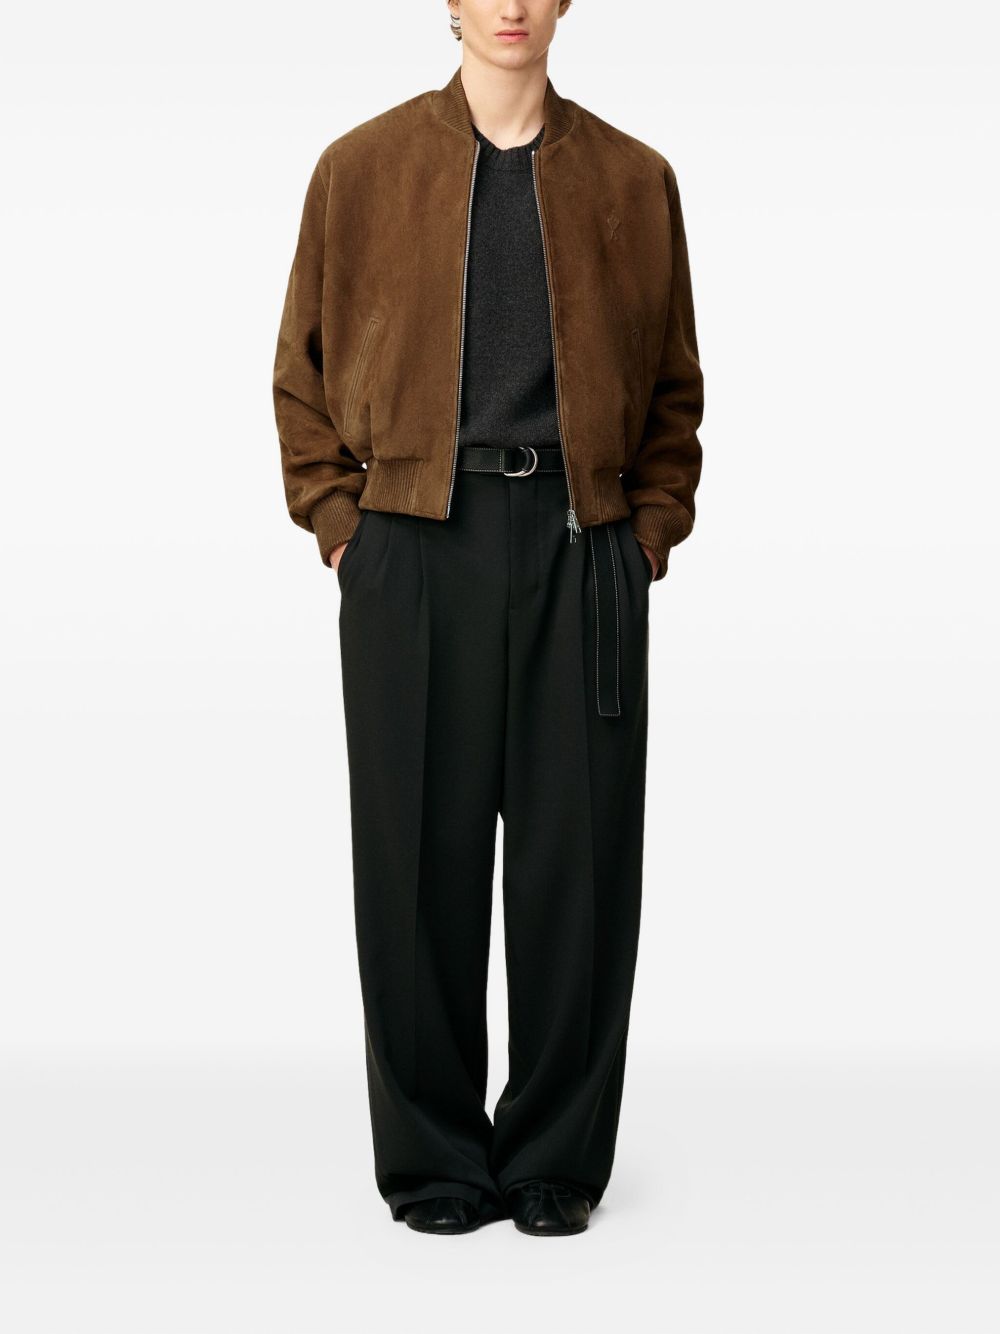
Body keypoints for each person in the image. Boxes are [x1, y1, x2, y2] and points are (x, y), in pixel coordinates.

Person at [272, 0, 703, 1237]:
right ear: (447, 4)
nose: (511, 4)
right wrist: (343, 526)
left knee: (579, 862)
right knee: (416, 861)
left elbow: (675, 386)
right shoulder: (359, 168)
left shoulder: (634, 178)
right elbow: (300, 375)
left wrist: (643, 537)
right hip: (413, 542)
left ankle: (555, 1157)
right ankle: (434, 1160)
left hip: (580, 542)